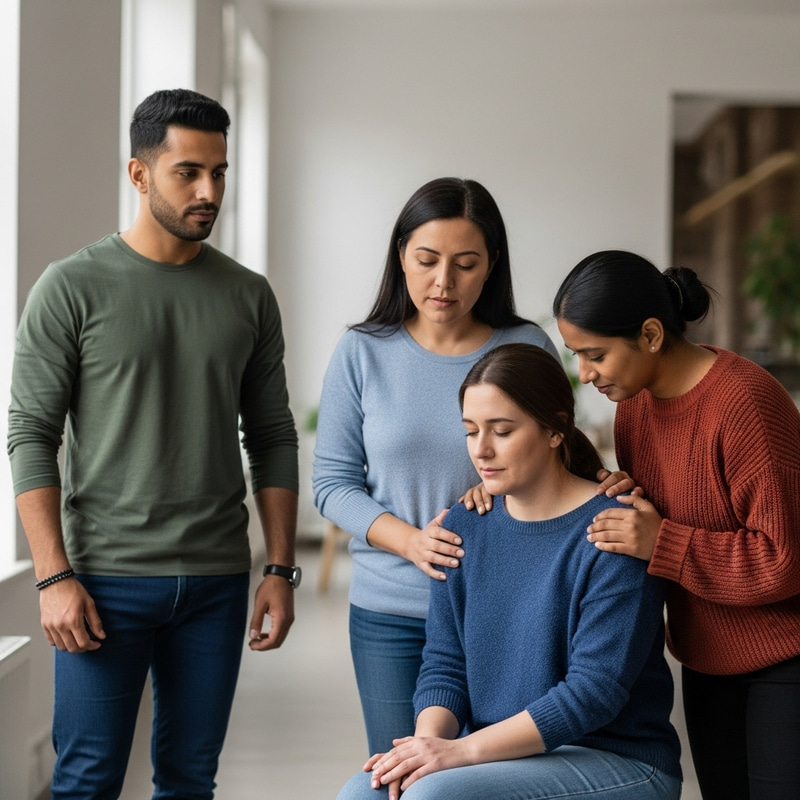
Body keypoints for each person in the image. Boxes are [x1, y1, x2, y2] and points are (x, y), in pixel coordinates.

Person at [7, 88, 300, 800]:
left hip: (216, 581)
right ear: (139, 175)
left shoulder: (248, 295)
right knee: (86, 780)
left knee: (190, 779)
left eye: (220, 172)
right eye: (188, 172)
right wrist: (54, 578)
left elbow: (271, 435)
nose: (209, 191)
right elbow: (30, 435)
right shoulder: (70, 287)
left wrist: (281, 569)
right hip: (103, 579)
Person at [336, 343, 682, 800]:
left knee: (432, 796)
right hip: (500, 754)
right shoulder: (463, 525)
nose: (481, 450)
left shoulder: (614, 532)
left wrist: (457, 754)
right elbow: (446, 664)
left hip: (614, 758)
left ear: (556, 429)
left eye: (501, 431)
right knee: (364, 793)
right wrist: (429, 745)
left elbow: (592, 694)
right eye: (470, 430)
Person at [311, 178, 561, 755]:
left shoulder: (525, 348)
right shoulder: (362, 351)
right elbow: (331, 484)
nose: (443, 282)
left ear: (491, 265)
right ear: (401, 257)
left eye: (466, 264)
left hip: (506, 607)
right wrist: (410, 543)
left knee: (494, 775)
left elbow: (559, 460)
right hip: (392, 610)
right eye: (426, 260)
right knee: (404, 774)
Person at [554, 250, 800, 800]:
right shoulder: (635, 407)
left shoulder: (746, 402)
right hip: (704, 654)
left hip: (786, 655)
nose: (584, 374)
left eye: (596, 354)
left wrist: (661, 540)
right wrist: (630, 494)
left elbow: (783, 560)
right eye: (577, 355)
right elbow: (679, 507)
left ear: (650, 334)